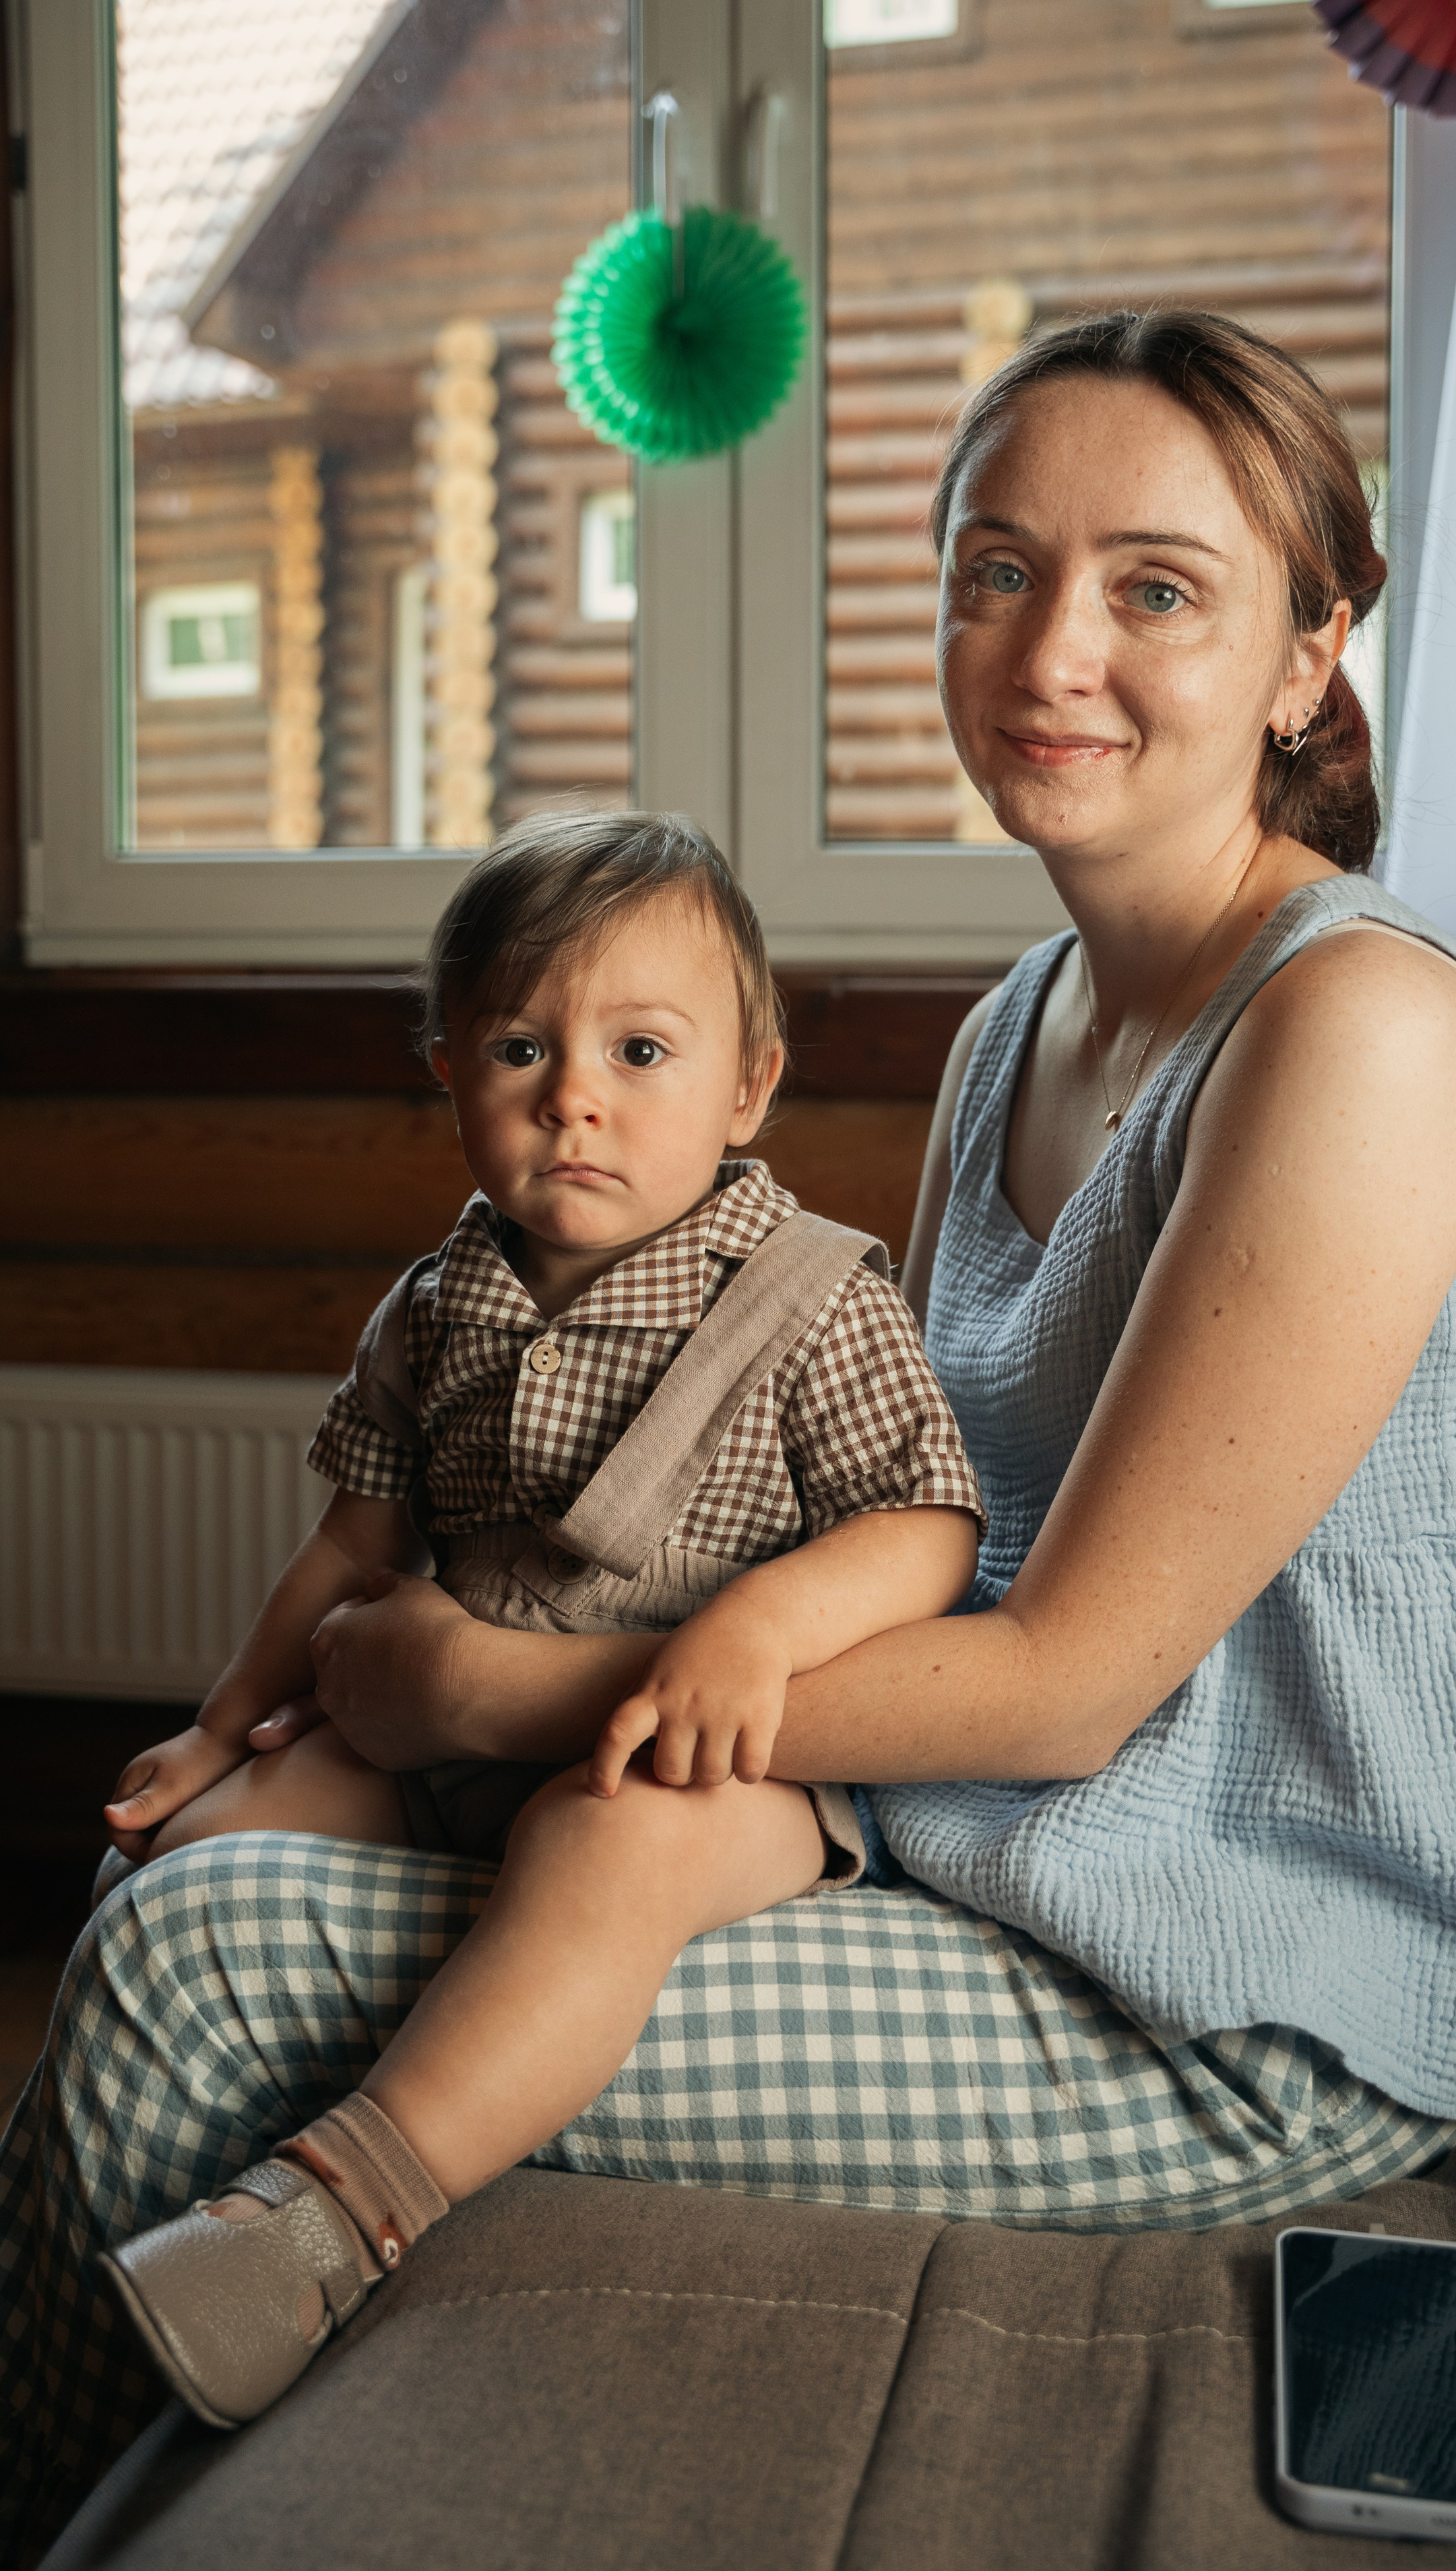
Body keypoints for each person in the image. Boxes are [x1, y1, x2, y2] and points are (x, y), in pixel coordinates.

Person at [0, 309, 1456, 2571]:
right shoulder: (1020, 1029)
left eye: (1158, 586)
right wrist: (288, 1709)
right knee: (178, 1878)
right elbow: (915, 1528)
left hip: (1276, 1978)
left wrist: (493, 1684)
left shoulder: (1354, 1035)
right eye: (995, 569)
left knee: (202, 1977)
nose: (1055, 643)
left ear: (1309, 649)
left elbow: (1068, 1670)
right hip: (995, 1843)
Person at [91, 813, 984, 2427]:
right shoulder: (439, 1302)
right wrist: (224, 1726)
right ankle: (147, 2199)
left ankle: (331, 2214)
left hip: (714, 1766)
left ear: (748, 1088)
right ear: (446, 1068)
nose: (574, 1093)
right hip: (442, 1722)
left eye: (641, 1049)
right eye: (520, 1045)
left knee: (611, 1840)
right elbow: (349, 1546)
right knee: (207, 1852)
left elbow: (926, 1524)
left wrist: (765, 1625)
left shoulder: (812, 1295)